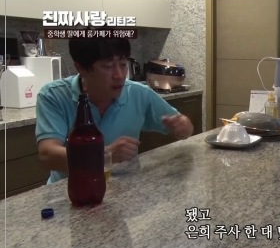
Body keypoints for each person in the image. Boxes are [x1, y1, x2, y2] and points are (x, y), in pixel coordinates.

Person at [36, 26, 193, 178]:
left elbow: (185, 127)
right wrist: (105, 155)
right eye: (108, 66)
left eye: (123, 65)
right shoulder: (54, 95)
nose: (119, 75)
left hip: (126, 187)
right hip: (71, 188)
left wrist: (183, 125)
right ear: (81, 67)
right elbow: (47, 155)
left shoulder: (138, 93)